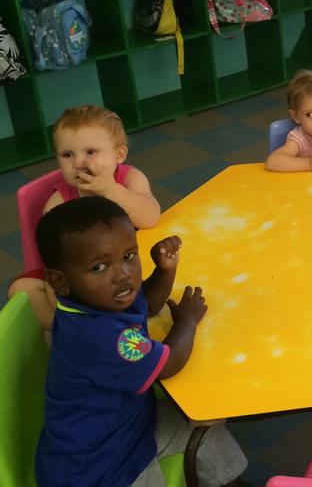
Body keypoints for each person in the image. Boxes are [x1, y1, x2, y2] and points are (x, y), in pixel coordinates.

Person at [34, 197, 248, 487]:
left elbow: (146, 302)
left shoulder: (98, 300)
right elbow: (169, 364)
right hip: (99, 469)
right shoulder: (100, 336)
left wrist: (164, 270)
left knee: (206, 429)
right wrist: (186, 321)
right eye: (99, 267)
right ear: (59, 281)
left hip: (128, 424)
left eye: (129, 256)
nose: (123, 275)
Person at [8, 105, 161, 332]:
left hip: (127, 261)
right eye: (67, 155)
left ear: (119, 155)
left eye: (90, 152)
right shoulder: (58, 203)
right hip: (82, 271)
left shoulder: (130, 179)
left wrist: (111, 190)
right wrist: (64, 305)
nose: (79, 162)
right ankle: (69, 326)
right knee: (21, 288)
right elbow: (55, 262)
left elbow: (150, 217)